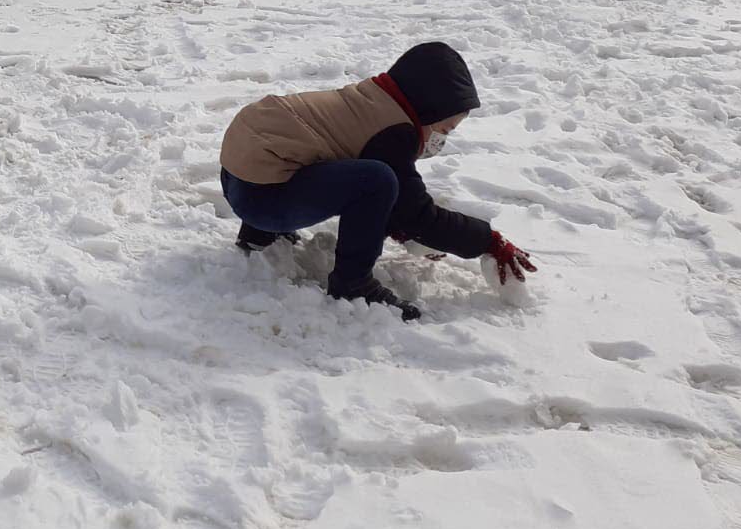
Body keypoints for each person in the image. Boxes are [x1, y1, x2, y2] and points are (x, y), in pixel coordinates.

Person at [218, 42, 536, 321]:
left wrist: (398, 223)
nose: (442, 138)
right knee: (377, 181)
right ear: (428, 110)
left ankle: (258, 235)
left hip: (237, 178)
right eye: (446, 129)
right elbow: (419, 217)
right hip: (263, 200)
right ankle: (353, 284)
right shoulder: (394, 133)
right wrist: (488, 240)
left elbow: (397, 206)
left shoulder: (370, 100)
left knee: (346, 167)